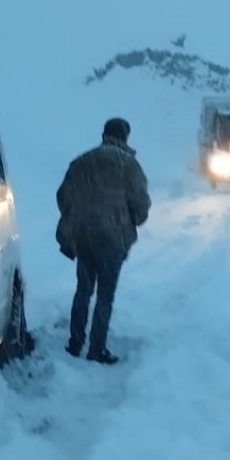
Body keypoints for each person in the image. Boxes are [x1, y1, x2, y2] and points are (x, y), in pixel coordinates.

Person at [55, 117, 151, 364]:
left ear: (103, 134)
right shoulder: (128, 165)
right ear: (125, 137)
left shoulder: (81, 162)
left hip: (84, 236)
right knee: (105, 295)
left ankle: (75, 342)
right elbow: (140, 204)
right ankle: (97, 348)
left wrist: (78, 218)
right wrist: (132, 220)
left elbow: (63, 195)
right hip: (113, 240)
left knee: (83, 290)